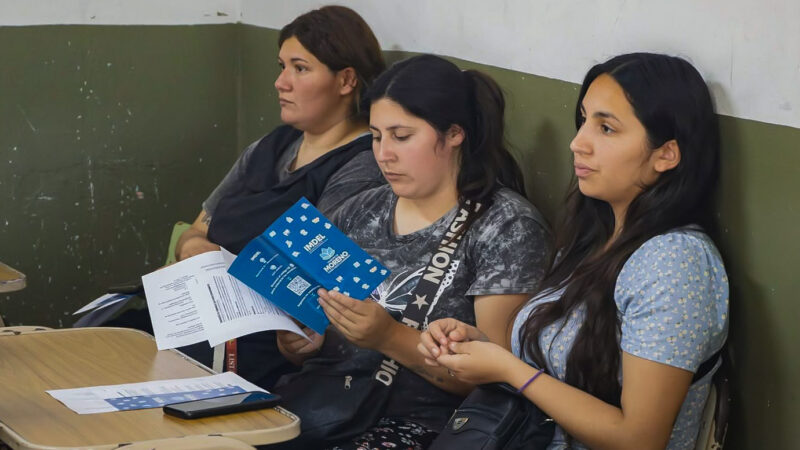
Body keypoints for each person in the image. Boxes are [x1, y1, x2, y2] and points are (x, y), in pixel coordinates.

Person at [419, 52, 729, 450]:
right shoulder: (597, 235)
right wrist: (477, 345)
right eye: (584, 120)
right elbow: (561, 364)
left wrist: (509, 369)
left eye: (607, 129)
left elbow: (639, 438)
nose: (578, 142)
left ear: (666, 154)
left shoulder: (674, 261)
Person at [274, 54, 551, 449]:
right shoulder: (359, 209)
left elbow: (495, 379)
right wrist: (297, 341)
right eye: (375, 136)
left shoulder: (506, 228)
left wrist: (387, 336)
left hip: (420, 426)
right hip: (320, 405)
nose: (383, 153)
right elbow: (313, 337)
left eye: (402, 136)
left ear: (454, 133)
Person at [109, 5, 387, 390]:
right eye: (281, 66)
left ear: (346, 80)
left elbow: (311, 284)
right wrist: (196, 251)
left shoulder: (361, 166)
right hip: (197, 315)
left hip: (262, 347)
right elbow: (195, 229)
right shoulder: (270, 147)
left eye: (300, 68)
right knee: (101, 340)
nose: (280, 82)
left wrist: (221, 266)